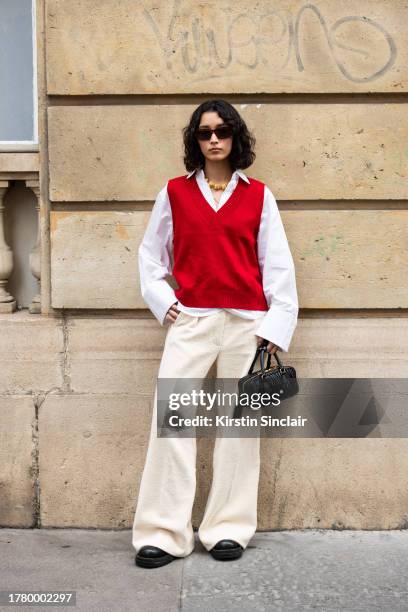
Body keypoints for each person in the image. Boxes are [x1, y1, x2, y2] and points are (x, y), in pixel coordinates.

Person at [132, 99, 299, 568]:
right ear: (195, 140)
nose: (213, 140)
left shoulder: (260, 195)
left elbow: (278, 265)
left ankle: (228, 528)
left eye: (222, 131)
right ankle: (164, 533)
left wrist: (276, 326)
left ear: (235, 137)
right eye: (204, 133)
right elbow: (150, 259)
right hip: (194, 320)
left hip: (248, 323)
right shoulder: (174, 193)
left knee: (238, 428)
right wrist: (167, 306)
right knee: (172, 423)